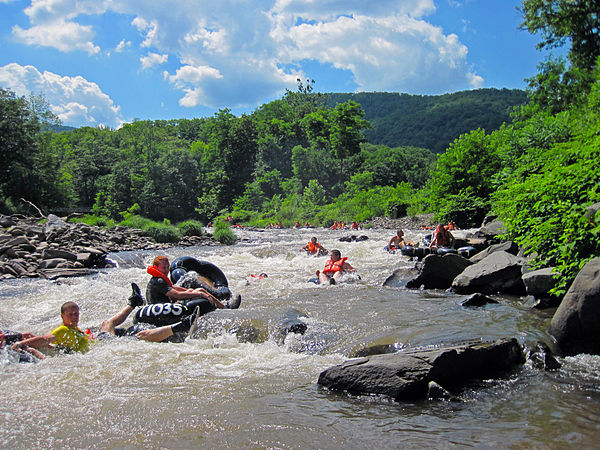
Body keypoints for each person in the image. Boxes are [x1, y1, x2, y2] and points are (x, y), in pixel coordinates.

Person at [10, 287, 200, 355]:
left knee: (107, 324)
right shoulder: (61, 330)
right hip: (105, 348)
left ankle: (133, 303)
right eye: (71, 314)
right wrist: (21, 343)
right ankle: (179, 326)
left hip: (101, 344)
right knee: (140, 337)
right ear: (63, 316)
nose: (75, 317)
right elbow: (45, 339)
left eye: (76, 313)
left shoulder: (72, 330)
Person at [146, 255, 240, 310]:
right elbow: (176, 295)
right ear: (155, 267)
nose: (167, 270)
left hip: (165, 306)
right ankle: (224, 307)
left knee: (199, 290)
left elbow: (174, 288)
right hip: (162, 310)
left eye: (168, 267)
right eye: (164, 268)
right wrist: (200, 294)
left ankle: (224, 307)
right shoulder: (158, 281)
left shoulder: (158, 279)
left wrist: (190, 291)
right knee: (201, 292)